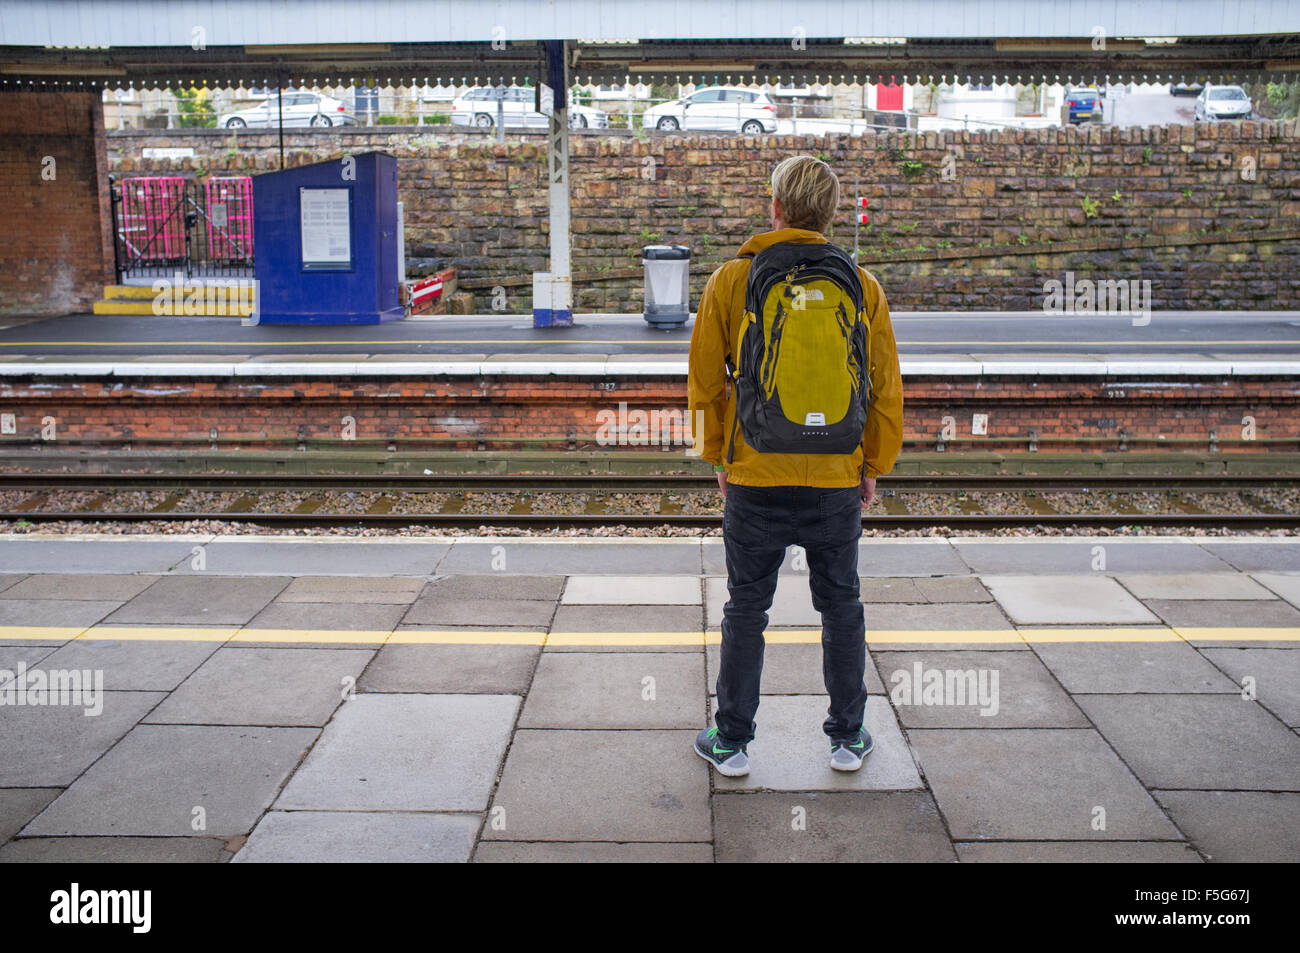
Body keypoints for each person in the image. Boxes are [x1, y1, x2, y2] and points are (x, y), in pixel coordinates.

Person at [688, 154, 904, 777]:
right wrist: (872, 464)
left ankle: (732, 742)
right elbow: (884, 388)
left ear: (775, 207)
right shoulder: (862, 286)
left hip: (755, 476)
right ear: (830, 216)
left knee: (745, 609)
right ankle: (847, 738)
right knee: (842, 607)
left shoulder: (732, 280)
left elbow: (705, 384)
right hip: (836, 476)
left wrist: (718, 456)